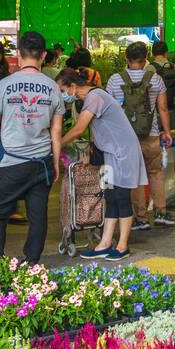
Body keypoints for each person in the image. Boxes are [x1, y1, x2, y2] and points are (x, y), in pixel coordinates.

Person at [0, 32, 62, 266]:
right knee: (37, 215)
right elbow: (55, 132)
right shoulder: (52, 87)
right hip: (41, 163)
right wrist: (55, 162)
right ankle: (32, 263)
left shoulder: (4, 85)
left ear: (18, 54)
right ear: (44, 55)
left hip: (12, 163)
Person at [57, 66, 148, 261]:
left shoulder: (94, 97)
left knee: (122, 196)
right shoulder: (90, 98)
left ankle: (122, 245)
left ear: (72, 86)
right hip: (110, 154)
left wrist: (56, 145)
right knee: (110, 196)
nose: (63, 96)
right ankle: (105, 243)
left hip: (123, 152)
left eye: (63, 91)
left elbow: (78, 130)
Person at [106, 42, 175, 230]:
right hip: (151, 134)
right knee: (156, 173)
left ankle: (141, 218)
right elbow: (163, 108)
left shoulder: (114, 80)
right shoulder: (156, 79)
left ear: (126, 59)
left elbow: (109, 111)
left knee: (135, 177)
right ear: (146, 59)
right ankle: (161, 213)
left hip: (126, 138)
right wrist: (167, 131)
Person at [151, 41, 175, 119]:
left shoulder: (149, 69)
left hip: (156, 111)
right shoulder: (174, 67)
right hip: (173, 109)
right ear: (166, 53)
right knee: (172, 130)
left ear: (153, 53)